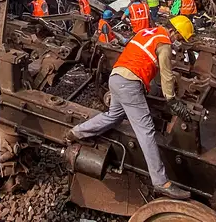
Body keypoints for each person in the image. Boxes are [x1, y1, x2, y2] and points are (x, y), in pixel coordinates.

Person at [65, 16, 196, 200]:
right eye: (180, 39)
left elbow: (142, 58)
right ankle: (161, 182)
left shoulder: (146, 32)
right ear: (174, 32)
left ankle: (76, 132)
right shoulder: (164, 44)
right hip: (130, 84)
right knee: (146, 131)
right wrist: (172, 101)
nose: (177, 43)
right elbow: (166, 75)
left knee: (113, 116)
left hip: (116, 77)